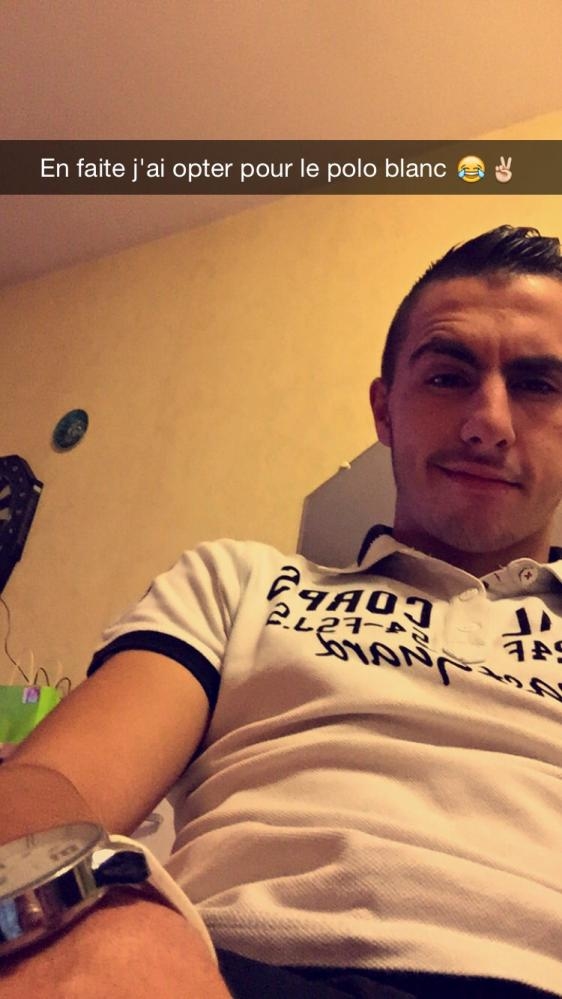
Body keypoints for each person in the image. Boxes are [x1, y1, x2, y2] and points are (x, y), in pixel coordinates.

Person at [2, 224, 562, 999]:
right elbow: (52, 782)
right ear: (385, 411)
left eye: (538, 385)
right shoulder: (239, 583)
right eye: (446, 376)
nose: (488, 422)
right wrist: (105, 926)